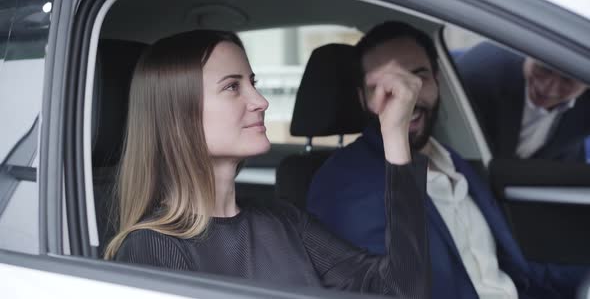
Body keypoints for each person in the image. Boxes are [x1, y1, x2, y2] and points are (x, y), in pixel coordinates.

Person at [103, 30, 430, 297]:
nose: (260, 101)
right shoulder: (152, 248)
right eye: (232, 87)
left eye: (252, 83)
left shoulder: (283, 220)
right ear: (177, 117)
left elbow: (400, 289)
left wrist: (395, 135)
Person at [307, 21, 587, 299]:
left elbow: (510, 274)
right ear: (362, 97)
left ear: (438, 81)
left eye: (419, 77)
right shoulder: (343, 183)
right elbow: (392, 290)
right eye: (388, 86)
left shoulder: (453, 160)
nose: (408, 97)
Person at [456, 42, 590, 161]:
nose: (548, 89)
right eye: (544, 69)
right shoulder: (478, 77)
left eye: (567, 81)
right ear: (527, 53)